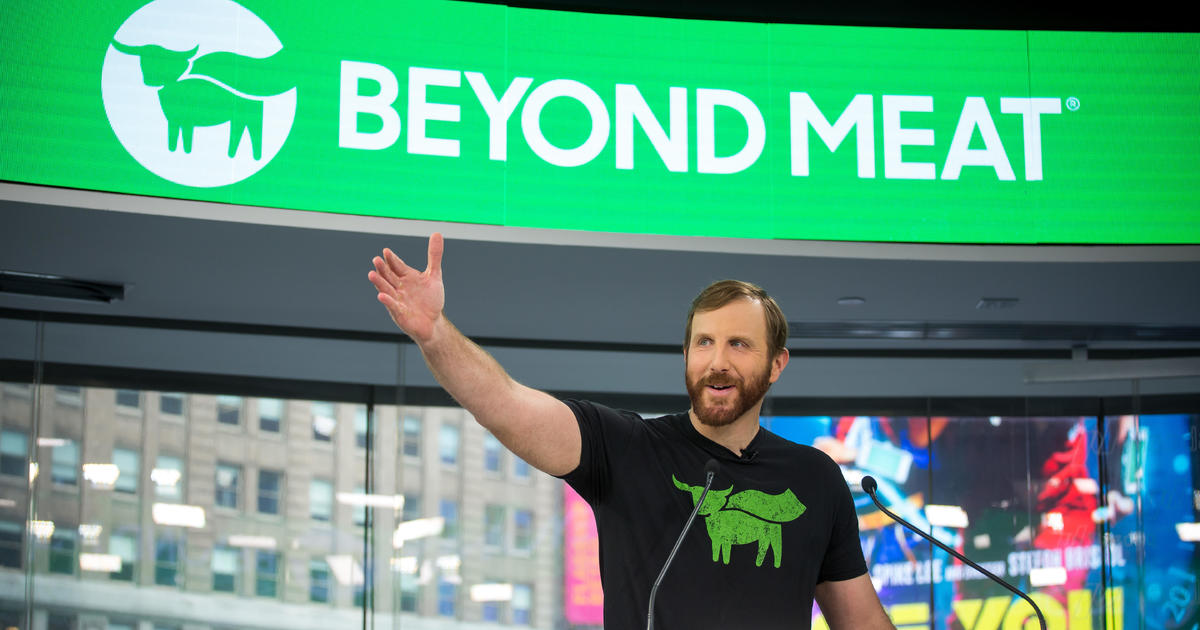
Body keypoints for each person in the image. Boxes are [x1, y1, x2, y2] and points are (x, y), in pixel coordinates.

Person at [368, 233, 894, 630]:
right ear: (686, 355)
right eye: (704, 343)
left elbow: (863, 623)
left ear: (776, 364)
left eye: (739, 344)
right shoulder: (626, 448)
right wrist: (436, 334)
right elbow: (505, 404)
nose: (717, 361)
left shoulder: (816, 479)